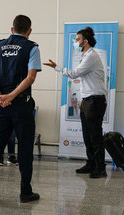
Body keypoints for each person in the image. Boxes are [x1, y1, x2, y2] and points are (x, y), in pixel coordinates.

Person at [0, 15, 41, 203]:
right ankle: (25, 192)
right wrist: (12, 96)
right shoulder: (32, 47)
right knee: (25, 147)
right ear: (29, 31)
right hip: (21, 104)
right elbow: (30, 78)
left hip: (2, 106)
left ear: (12, 29)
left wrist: (0, 96)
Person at [44, 27, 107, 179]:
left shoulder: (91, 56)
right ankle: (91, 163)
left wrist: (57, 68)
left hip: (95, 100)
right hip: (87, 100)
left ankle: (100, 167)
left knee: (95, 136)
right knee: (87, 135)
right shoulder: (85, 56)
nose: (75, 42)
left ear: (85, 41)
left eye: (77, 39)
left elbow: (74, 74)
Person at [0, 93, 18, 166]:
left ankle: (11, 156)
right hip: (0, 111)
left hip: (12, 110)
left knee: (11, 136)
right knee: (0, 136)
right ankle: (0, 156)